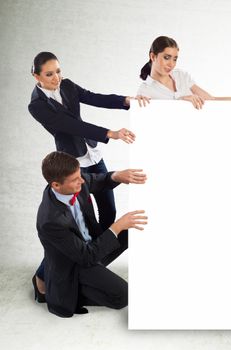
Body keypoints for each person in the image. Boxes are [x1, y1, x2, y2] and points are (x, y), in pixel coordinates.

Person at [28, 52, 150, 291]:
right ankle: (42, 277)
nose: (57, 78)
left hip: (93, 155)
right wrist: (109, 133)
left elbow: (95, 98)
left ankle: (92, 259)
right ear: (36, 76)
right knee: (76, 226)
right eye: (49, 74)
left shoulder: (68, 85)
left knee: (109, 213)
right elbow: (69, 125)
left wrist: (125, 101)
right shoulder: (37, 106)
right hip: (73, 164)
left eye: (58, 71)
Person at [33, 151, 148, 317]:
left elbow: (94, 180)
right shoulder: (50, 221)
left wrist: (117, 176)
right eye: (75, 180)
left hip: (90, 247)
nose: (82, 181)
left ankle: (93, 275)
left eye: (80, 175)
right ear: (56, 185)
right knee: (123, 297)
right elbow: (86, 257)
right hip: (77, 262)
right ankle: (67, 291)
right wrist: (116, 227)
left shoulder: (73, 182)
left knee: (133, 230)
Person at [137, 36, 231, 109]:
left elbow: (212, 101)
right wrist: (182, 100)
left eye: (175, 59)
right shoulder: (145, 91)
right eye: (166, 57)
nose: (171, 64)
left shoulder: (181, 76)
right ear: (153, 56)